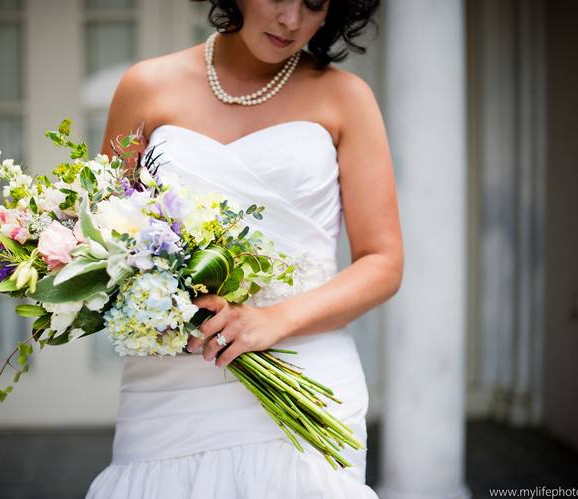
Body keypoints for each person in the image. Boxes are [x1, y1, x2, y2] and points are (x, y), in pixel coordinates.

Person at [87, 0, 402, 497]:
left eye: (314, 3)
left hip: (306, 368)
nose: (291, 19)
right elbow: (106, 233)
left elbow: (383, 263)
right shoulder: (146, 87)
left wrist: (273, 321)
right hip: (174, 377)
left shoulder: (346, 98)